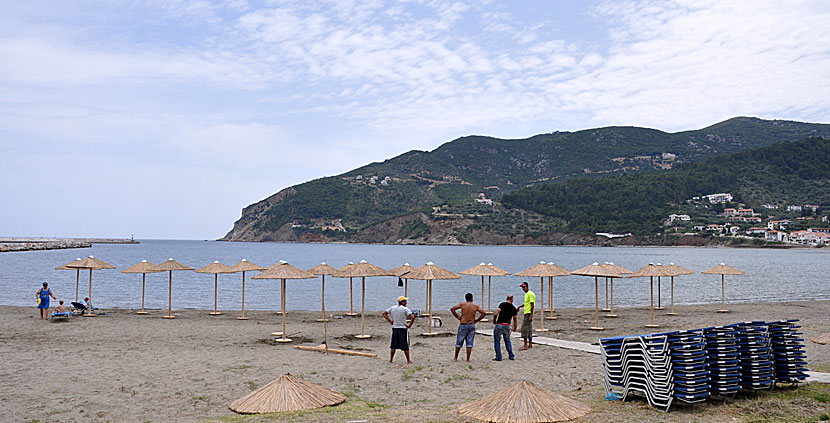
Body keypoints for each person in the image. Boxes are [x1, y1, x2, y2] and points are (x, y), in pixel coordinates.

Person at [450, 293, 486, 362]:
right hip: (471, 324)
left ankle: (455, 358)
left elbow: (452, 309)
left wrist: (457, 317)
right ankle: (468, 359)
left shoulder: (462, 305)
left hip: (464, 323)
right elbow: (483, 313)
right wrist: (477, 320)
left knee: (459, 341)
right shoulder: (475, 306)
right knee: (469, 342)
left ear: (465, 298)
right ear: (472, 298)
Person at [383, 296, 414, 364]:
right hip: (402, 329)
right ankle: (408, 360)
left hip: (395, 328)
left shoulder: (393, 308)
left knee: (393, 345)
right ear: (403, 302)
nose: (406, 302)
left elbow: (384, 313)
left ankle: (391, 360)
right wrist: (409, 325)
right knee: (405, 345)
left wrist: (390, 321)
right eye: (405, 301)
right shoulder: (405, 309)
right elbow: (412, 317)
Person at [492, 295, 518, 361]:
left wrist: (494, 320)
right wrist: (515, 327)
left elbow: (496, 314)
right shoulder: (513, 308)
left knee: (497, 341)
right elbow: (515, 319)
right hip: (507, 325)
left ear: (506, 299)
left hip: (499, 324)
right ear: (512, 300)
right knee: (507, 340)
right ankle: (511, 355)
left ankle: (499, 356)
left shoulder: (502, 304)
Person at [518, 282, 536, 350]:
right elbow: (526, 303)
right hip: (527, 312)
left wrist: (531, 315)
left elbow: (532, 304)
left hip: (528, 313)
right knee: (529, 328)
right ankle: (530, 344)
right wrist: (520, 306)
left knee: (524, 329)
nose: (523, 288)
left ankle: (525, 345)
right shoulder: (527, 294)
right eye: (522, 287)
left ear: (527, 287)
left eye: (524, 287)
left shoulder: (530, 294)